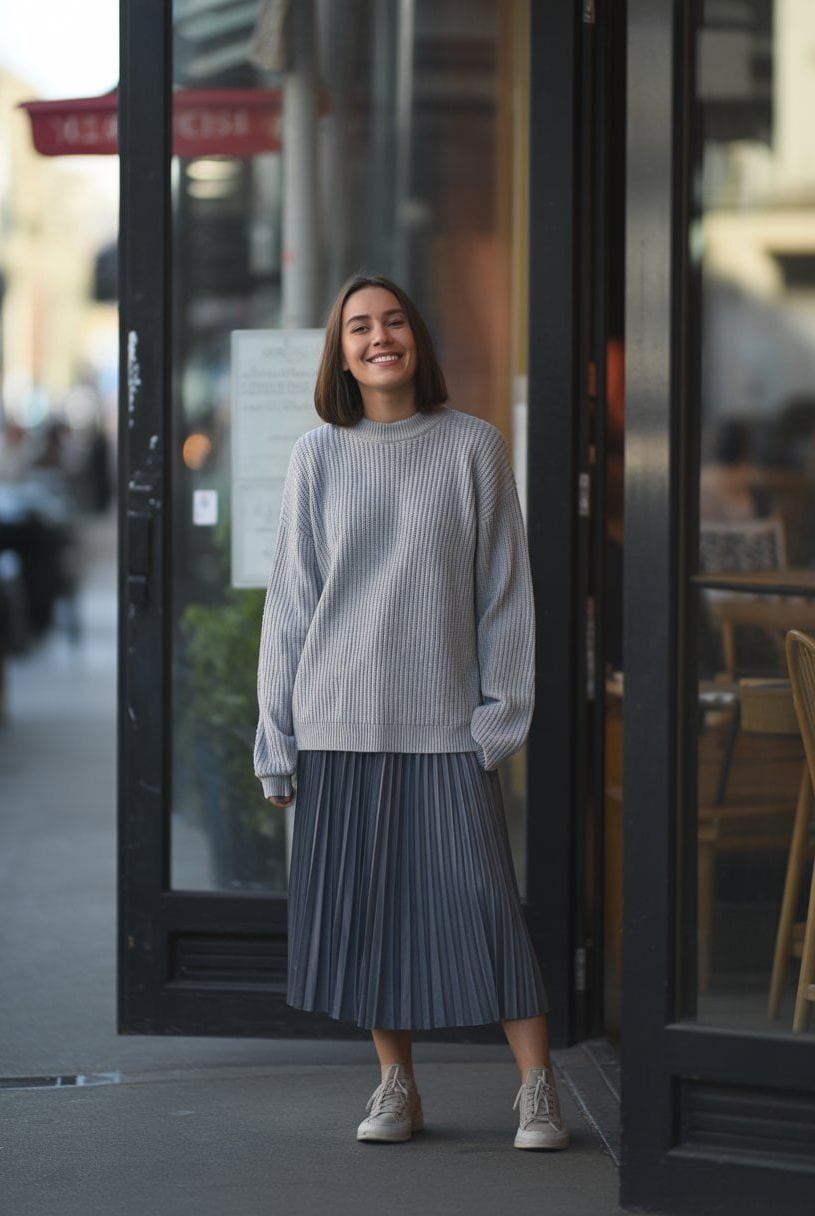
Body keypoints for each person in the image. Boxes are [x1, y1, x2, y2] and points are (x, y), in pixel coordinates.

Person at [253, 273, 569, 1151]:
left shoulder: (474, 447)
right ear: (341, 353)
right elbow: (291, 603)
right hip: (336, 725)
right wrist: (275, 740)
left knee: (485, 909)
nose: (379, 336)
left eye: (393, 321)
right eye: (359, 326)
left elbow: (506, 593)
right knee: (367, 920)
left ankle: (537, 1090)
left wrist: (500, 717)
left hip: (444, 728)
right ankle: (397, 1086)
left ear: (417, 339)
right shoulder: (317, 457)